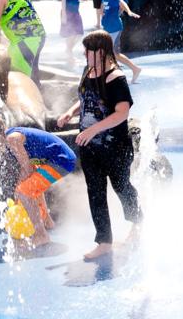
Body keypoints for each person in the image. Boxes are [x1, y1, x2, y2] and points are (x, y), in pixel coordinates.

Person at [57, 30, 142, 261]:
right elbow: (86, 97)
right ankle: (104, 241)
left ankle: (137, 223)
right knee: (95, 192)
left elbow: (122, 113)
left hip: (115, 146)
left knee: (121, 187)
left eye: (89, 50)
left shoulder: (116, 78)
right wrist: (71, 112)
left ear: (101, 52)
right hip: (89, 146)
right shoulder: (88, 71)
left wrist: (94, 129)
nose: (85, 53)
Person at [4, 123, 77, 249]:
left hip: (61, 160)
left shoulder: (12, 139)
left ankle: (41, 235)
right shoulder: (10, 137)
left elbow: (26, 168)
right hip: (59, 159)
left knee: (24, 192)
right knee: (31, 186)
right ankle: (48, 222)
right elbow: (29, 169)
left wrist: (18, 193)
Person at [93, 0, 143, 83]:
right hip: (107, 28)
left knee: (113, 53)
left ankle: (134, 69)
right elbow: (102, 7)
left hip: (114, 28)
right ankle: (117, 72)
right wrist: (102, 12)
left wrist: (128, 12)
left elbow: (121, 3)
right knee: (110, 53)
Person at [60, 0, 86, 68]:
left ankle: (68, 51)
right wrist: (64, 15)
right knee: (71, 34)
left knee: (78, 33)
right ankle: (69, 55)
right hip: (68, 12)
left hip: (75, 12)